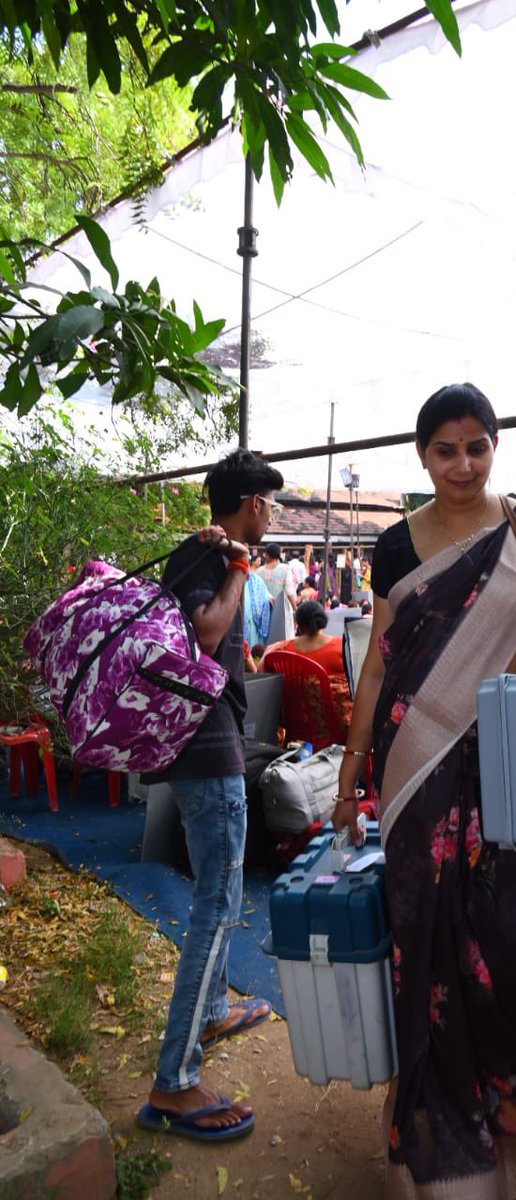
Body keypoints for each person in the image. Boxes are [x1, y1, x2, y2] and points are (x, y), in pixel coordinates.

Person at [334, 382, 516, 1199]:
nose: (462, 464)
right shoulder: (395, 548)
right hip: (414, 772)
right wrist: (352, 771)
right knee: (424, 954)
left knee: (510, 945)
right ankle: (445, 1150)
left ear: (496, 446)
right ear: (422, 455)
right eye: (445, 449)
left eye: (477, 446)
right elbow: (380, 663)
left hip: (506, 773)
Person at [137, 449, 283, 1141]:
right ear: (252, 502)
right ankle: (175, 1084)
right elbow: (207, 630)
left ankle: (214, 1009)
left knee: (217, 901)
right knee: (216, 907)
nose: (273, 514)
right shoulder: (211, 558)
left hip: (206, 742)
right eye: (271, 503)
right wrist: (237, 568)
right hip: (205, 750)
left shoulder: (207, 553)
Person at [264, 599, 353, 729]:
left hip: (296, 725)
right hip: (335, 726)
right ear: (323, 621)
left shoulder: (281, 651)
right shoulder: (342, 646)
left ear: (298, 624)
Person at [257, 543, 296, 641]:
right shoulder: (285, 569)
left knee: (266, 638)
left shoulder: (259, 571)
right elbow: (289, 591)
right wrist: (295, 608)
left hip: (264, 610)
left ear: (268, 555)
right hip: (282, 609)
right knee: (283, 639)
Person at [243, 562, 271, 650]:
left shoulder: (256, 580)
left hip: (252, 627)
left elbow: (266, 595)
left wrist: (269, 599)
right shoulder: (227, 579)